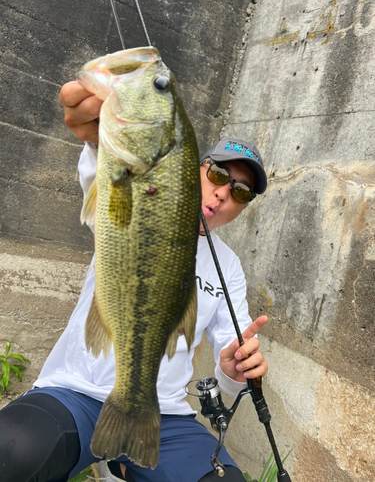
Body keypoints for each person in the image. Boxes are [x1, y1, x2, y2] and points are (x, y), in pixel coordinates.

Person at [0, 81, 269, 482]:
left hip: (164, 415)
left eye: (241, 192)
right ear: (194, 167)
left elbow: (231, 367)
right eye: (217, 174)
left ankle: (127, 458)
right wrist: (100, 134)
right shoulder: (142, 201)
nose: (223, 194)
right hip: (78, 393)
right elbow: (102, 172)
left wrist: (234, 369)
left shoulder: (228, 267)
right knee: (13, 450)